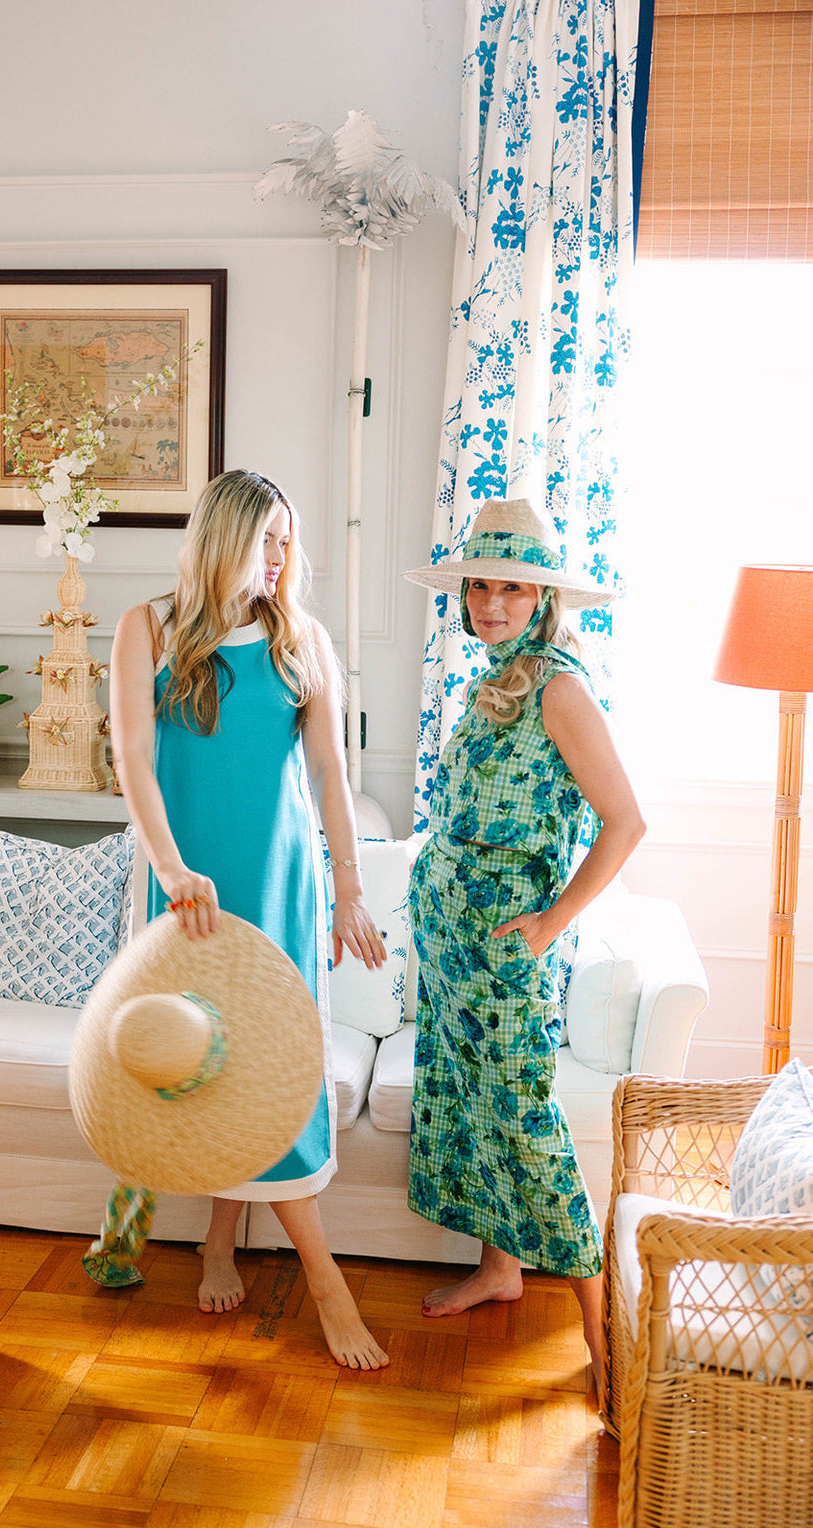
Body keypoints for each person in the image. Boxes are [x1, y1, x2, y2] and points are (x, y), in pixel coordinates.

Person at [102, 467, 389, 1371]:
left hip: (280, 885)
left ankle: (260, 1255)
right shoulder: (147, 629)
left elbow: (331, 773)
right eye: (265, 539)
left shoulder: (302, 638)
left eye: (285, 542)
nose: (277, 558)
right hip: (186, 889)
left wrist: (348, 888)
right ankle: (177, 1233)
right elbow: (133, 762)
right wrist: (170, 867)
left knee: (265, 1066)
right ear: (222, 536)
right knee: (187, 1061)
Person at [403, 497, 645, 1396]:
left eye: (511, 589)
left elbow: (625, 822)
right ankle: (500, 1269)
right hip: (450, 938)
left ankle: (601, 1329)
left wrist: (551, 922)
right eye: (480, 587)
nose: (491, 603)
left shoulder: (558, 690)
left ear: (542, 598)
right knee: (472, 1108)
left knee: (525, 1121)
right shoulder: (495, 678)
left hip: (505, 948)